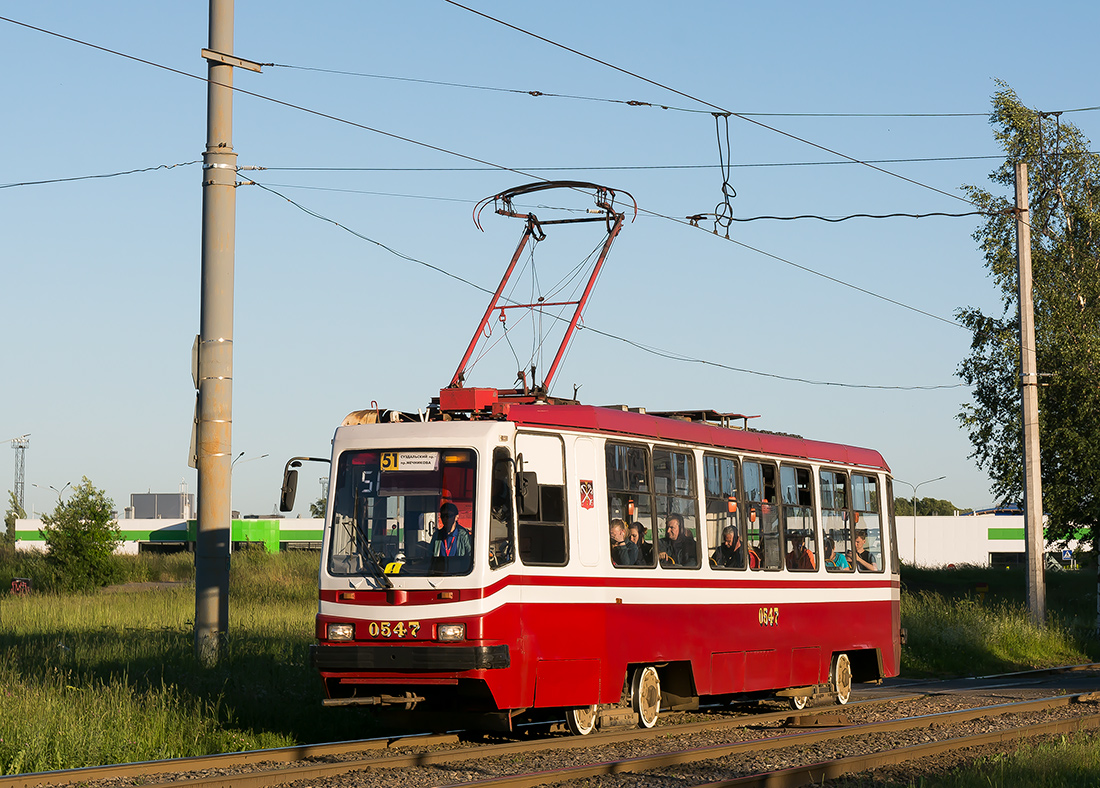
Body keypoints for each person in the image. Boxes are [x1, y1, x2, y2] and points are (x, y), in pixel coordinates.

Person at [431, 502, 472, 573]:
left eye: (448, 516)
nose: (445, 519)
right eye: (443, 516)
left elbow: (470, 555)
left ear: (456, 517)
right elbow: (430, 556)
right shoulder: (437, 535)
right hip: (441, 573)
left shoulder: (463, 535)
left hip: (459, 573)